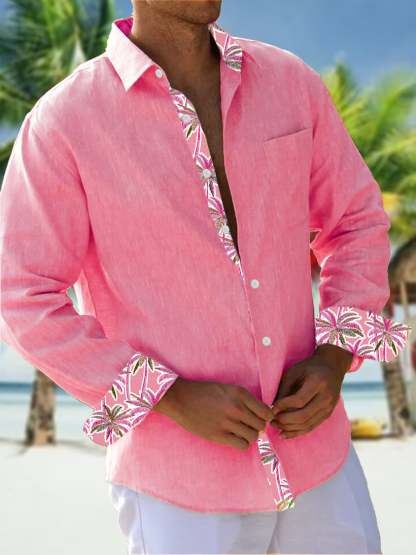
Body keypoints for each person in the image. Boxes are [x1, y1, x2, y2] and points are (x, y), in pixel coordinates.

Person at [0, 1, 411, 554]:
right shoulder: (65, 122)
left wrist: (334, 357)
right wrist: (168, 396)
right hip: (179, 489)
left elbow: (355, 221)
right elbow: (21, 295)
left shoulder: (289, 82)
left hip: (318, 458)